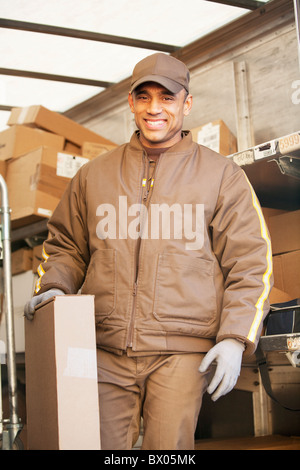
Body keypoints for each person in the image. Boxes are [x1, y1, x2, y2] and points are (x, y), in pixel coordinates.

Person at [24, 53, 273, 450]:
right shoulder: (93, 175)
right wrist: (54, 287)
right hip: (104, 347)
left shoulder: (222, 175)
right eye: (144, 97)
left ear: (186, 104)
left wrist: (234, 337)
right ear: (131, 102)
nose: (155, 108)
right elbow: (66, 246)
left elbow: (251, 262)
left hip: (182, 352)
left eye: (167, 98)